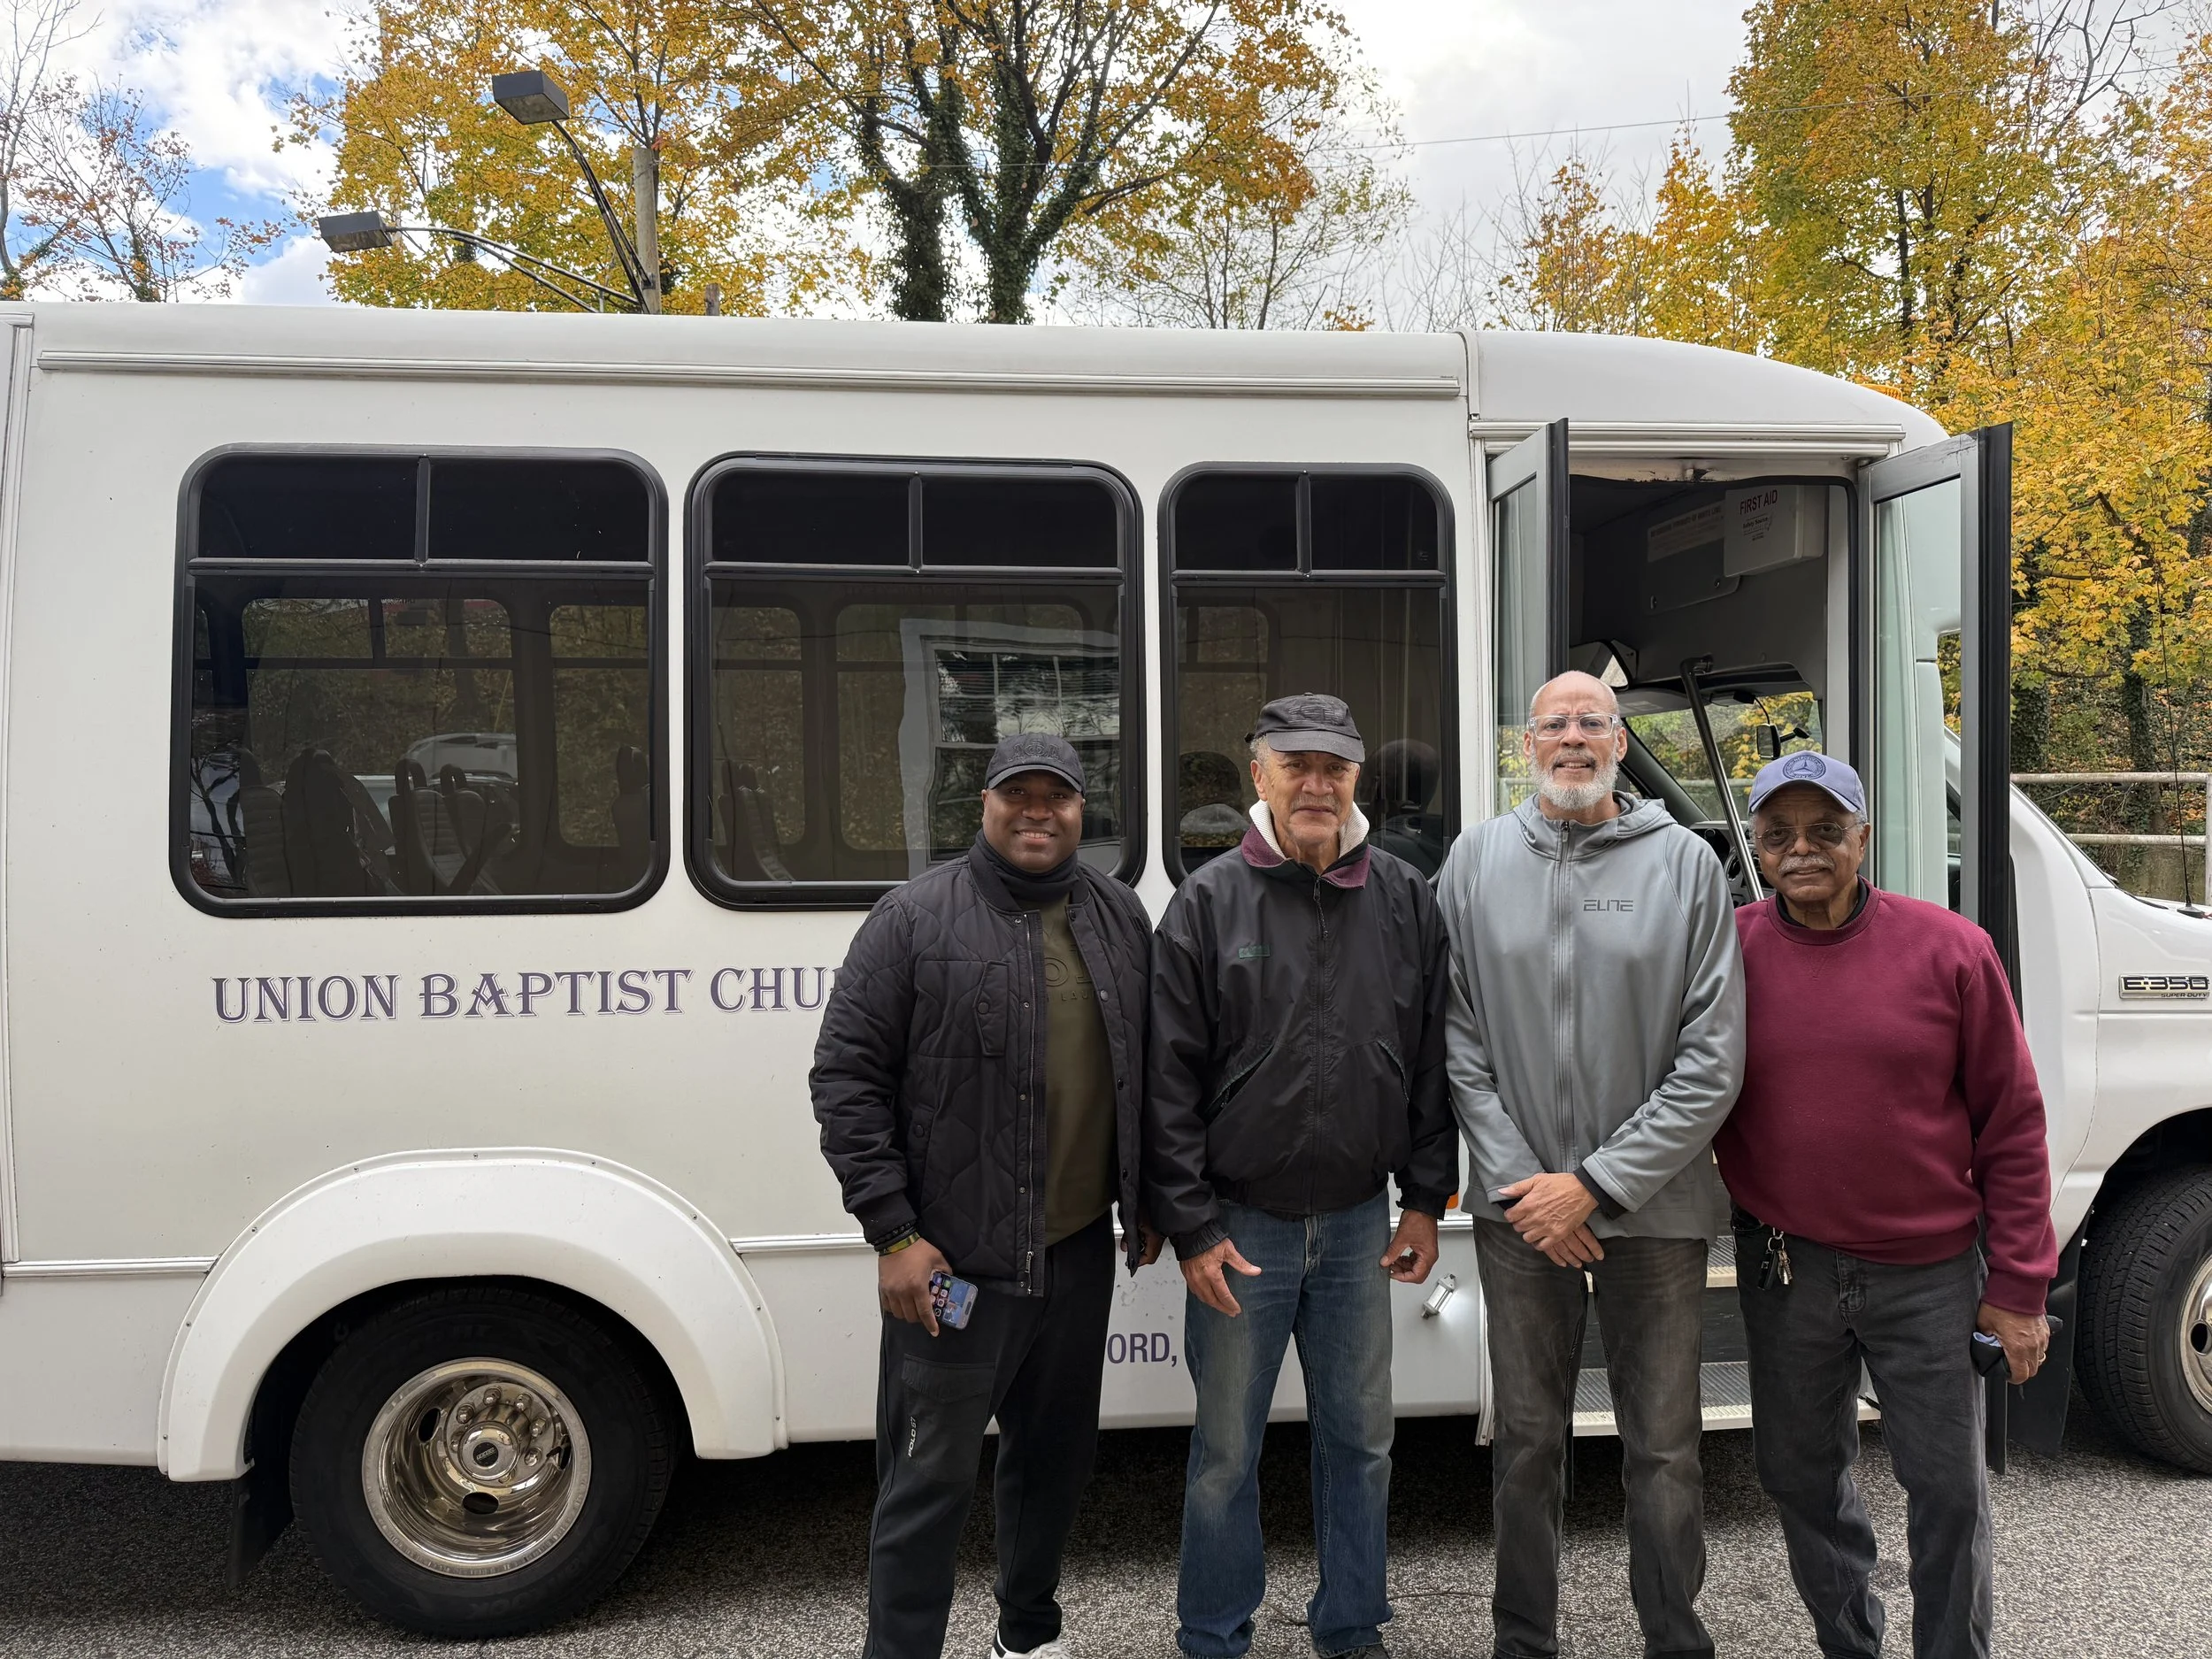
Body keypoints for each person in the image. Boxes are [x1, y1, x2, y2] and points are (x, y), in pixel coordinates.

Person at [811, 733, 1158, 1659]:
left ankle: (1028, 1639)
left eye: (1058, 795)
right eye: (1018, 794)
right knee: (926, 1482)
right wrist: (894, 1234)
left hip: (1075, 1255)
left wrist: (1149, 1197)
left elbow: (1148, 1072)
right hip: (954, 1265)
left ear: (1082, 810)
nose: (1037, 811)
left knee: (1053, 1467)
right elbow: (846, 1080)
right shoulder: (912, 918)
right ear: (984, 805)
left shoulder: (1119, 915)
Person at [1717, 751, 2055, 1659]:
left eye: (1825, 830)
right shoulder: (1725, 953)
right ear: (1756, 845)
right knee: (1797, 1476)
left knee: (1949, 1491)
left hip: (1929, 1273)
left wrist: (2019, 1287)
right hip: (1787, 1267)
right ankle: (1849, 1643)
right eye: (1779, 833)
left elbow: (2013, 1124)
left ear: (1862, 839)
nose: (1801, 849)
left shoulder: (1951, 949)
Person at [1434, 669, 1745, 1659]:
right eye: (1554, 723)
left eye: (1591, 723)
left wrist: (1596, 1185)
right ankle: (1523, 1641)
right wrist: (1529, 1185)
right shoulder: (1474, 860)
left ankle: (1674, 1640)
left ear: (1619, 742)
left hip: (1653, 1210)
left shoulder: (1686, 863)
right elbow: (1455, 1039)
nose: (1572, 737)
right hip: (1520, 1214)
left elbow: (1713, 1057)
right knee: (1528, 1444)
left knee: (1665, 1449)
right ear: (1526, 744)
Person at [1146, 693, 1456, 1659]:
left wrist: (1424, 1199)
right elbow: (1166, 1080)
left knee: (1361, 1443)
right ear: (1261, 775)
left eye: (1334, 767)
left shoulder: (1404, 896)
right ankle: (1213, 1634)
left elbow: (1430, 1059)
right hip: (1241, 1228)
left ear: (1357, 778)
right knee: (1224, 1452)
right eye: (1297, 766)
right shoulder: (1208, 901)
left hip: (1361, 1222)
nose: (1316, 784)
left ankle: (1352, 1626)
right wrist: (1192, 1225)